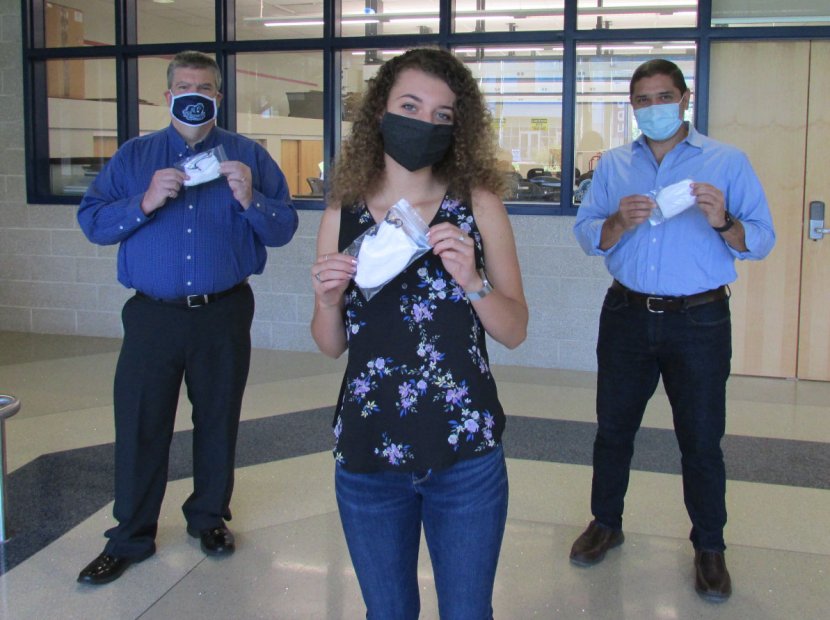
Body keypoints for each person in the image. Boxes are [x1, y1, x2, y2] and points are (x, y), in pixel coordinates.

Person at [310, 48, 528, 619]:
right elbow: (330, 344)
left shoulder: (477, 206)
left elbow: (515, 330)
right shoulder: (344, 212)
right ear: (380, 112)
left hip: (465, 450)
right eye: (410, 106)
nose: (424, 122)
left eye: (442, 115)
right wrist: (328, 300)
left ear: (458, 128)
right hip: (368, 449)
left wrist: (474, 281)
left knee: (467, 611)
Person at [76, 51, 298, 585]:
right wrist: (145, 201)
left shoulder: (248, 155)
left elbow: (284, 228)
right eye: (183, 86)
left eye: (204, 87)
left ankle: (208, 519)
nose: (193, 94)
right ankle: (131, 536)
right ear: (168, 95)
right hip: (152, 317)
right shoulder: (135, 157)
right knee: (140, 423)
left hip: (223, 313)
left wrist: (251, 199)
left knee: (218, 418)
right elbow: (93, 222)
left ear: (218, 96)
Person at [572, 58, 775, 602]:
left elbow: (761, 239)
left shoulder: (726, 161)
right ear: (633, 107)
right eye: (642, 100)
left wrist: (722, 221)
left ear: (684, 100)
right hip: (627, 315)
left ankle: (709, 546)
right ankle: (605, 522)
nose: (653, 108)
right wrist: (617, 221)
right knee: (613, 430)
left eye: (664, 97)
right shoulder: (615, 165)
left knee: (701, 440)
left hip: (699, 320)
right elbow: (587, 235)